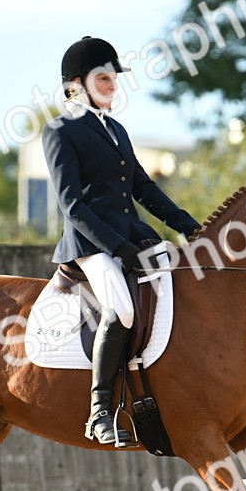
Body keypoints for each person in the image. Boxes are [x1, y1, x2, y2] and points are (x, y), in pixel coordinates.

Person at [42, 36, 201, 447]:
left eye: (114, 78)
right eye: (104, 77)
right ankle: (99, 413)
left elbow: (143, 188)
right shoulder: (61, 131)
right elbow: (72, 205)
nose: (113, 85)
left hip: (131, 237)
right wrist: (117, 247)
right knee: (123, 309)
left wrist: (187, 225)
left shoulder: (116, 129)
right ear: (77, 84)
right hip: (91, 246)